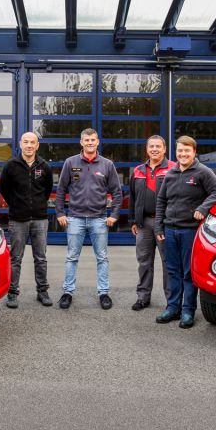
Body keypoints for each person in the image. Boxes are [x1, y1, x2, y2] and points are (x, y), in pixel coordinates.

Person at [155, 136, 216, 329]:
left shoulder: (202, 172)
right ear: (175, 153)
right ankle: (172, 308)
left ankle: (187, 311)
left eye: (187, 151)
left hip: (190, 231)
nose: (183, 154)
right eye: (180, 151)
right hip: (170, 230)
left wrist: (203, 208)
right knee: (172, 271)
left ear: (194, 152)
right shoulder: (170, 174)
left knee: (188, 273)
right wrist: (159, 227)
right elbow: (161, 202)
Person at [55, 128, 122, 310]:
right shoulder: (71, 163)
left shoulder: (107, 165)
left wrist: (114, 215)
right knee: (71, 257)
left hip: (99, 219)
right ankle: (68, 292)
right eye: (87, 140)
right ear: (81, 142)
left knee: (102, 258)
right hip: (75, 218)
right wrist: (60, 213)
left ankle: (104, 293)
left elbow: (117, 192)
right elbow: (61, 190)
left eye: (93, 140)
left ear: (98, 142)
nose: (90, 142)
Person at [0, 132, 54, 309]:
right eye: (26, 142)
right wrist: (18, 205)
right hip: (18, 219)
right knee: (15, 258)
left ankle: (42, 292)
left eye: (32, 142)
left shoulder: (44, 166)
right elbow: (5, 190)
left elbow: (47, 190)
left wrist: (36, 205)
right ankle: (13, 293)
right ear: (20, 144)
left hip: (39, 219)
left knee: (41, 258)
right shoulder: (10, 166)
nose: (29, 145)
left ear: (37, 145)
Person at [129, 135, 176, 311]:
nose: (154, 149)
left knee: (168, 262)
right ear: (147, 149)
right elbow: (133, 197)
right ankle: (143, 297)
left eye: (158, 146)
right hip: (144, 223)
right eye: (151, 146)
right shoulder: (138, 170)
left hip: (164, 223)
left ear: (164, 149)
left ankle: (171, 301)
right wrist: (133, 219)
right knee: (144, 262)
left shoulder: (173, 168)